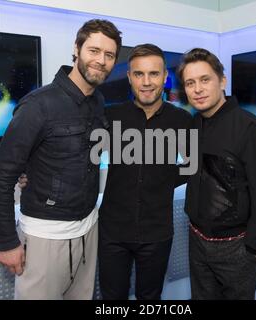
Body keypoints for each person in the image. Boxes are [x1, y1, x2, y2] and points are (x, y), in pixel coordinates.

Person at [0, 19, 122, 300]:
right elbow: (2, 174)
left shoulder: (98, 102)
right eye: (94, 50)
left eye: (109, 55)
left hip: (88, 229)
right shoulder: (38, 104)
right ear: (76, 49)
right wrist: (7, 242)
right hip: (44, 237)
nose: (101, 61)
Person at [177, 48, 256, 300]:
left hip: (236, 246)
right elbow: (193, 170)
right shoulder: (193, 124)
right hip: (197, 239)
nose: (197, 89)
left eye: (205, 80)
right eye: (190, 83)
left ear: (222, 81)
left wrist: (253, 248)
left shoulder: (250, 128)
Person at [98, 44, 193, 300]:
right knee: (111, 300)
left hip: (157, 232)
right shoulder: (110, 116)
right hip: (112, 232)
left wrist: (163, 180)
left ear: (165, 77)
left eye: (153, 74)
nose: (146, 82)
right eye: (139, 74)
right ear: (130, 77)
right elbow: (79, 154)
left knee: (150, 300)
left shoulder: (182, 119)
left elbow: (193, 165)